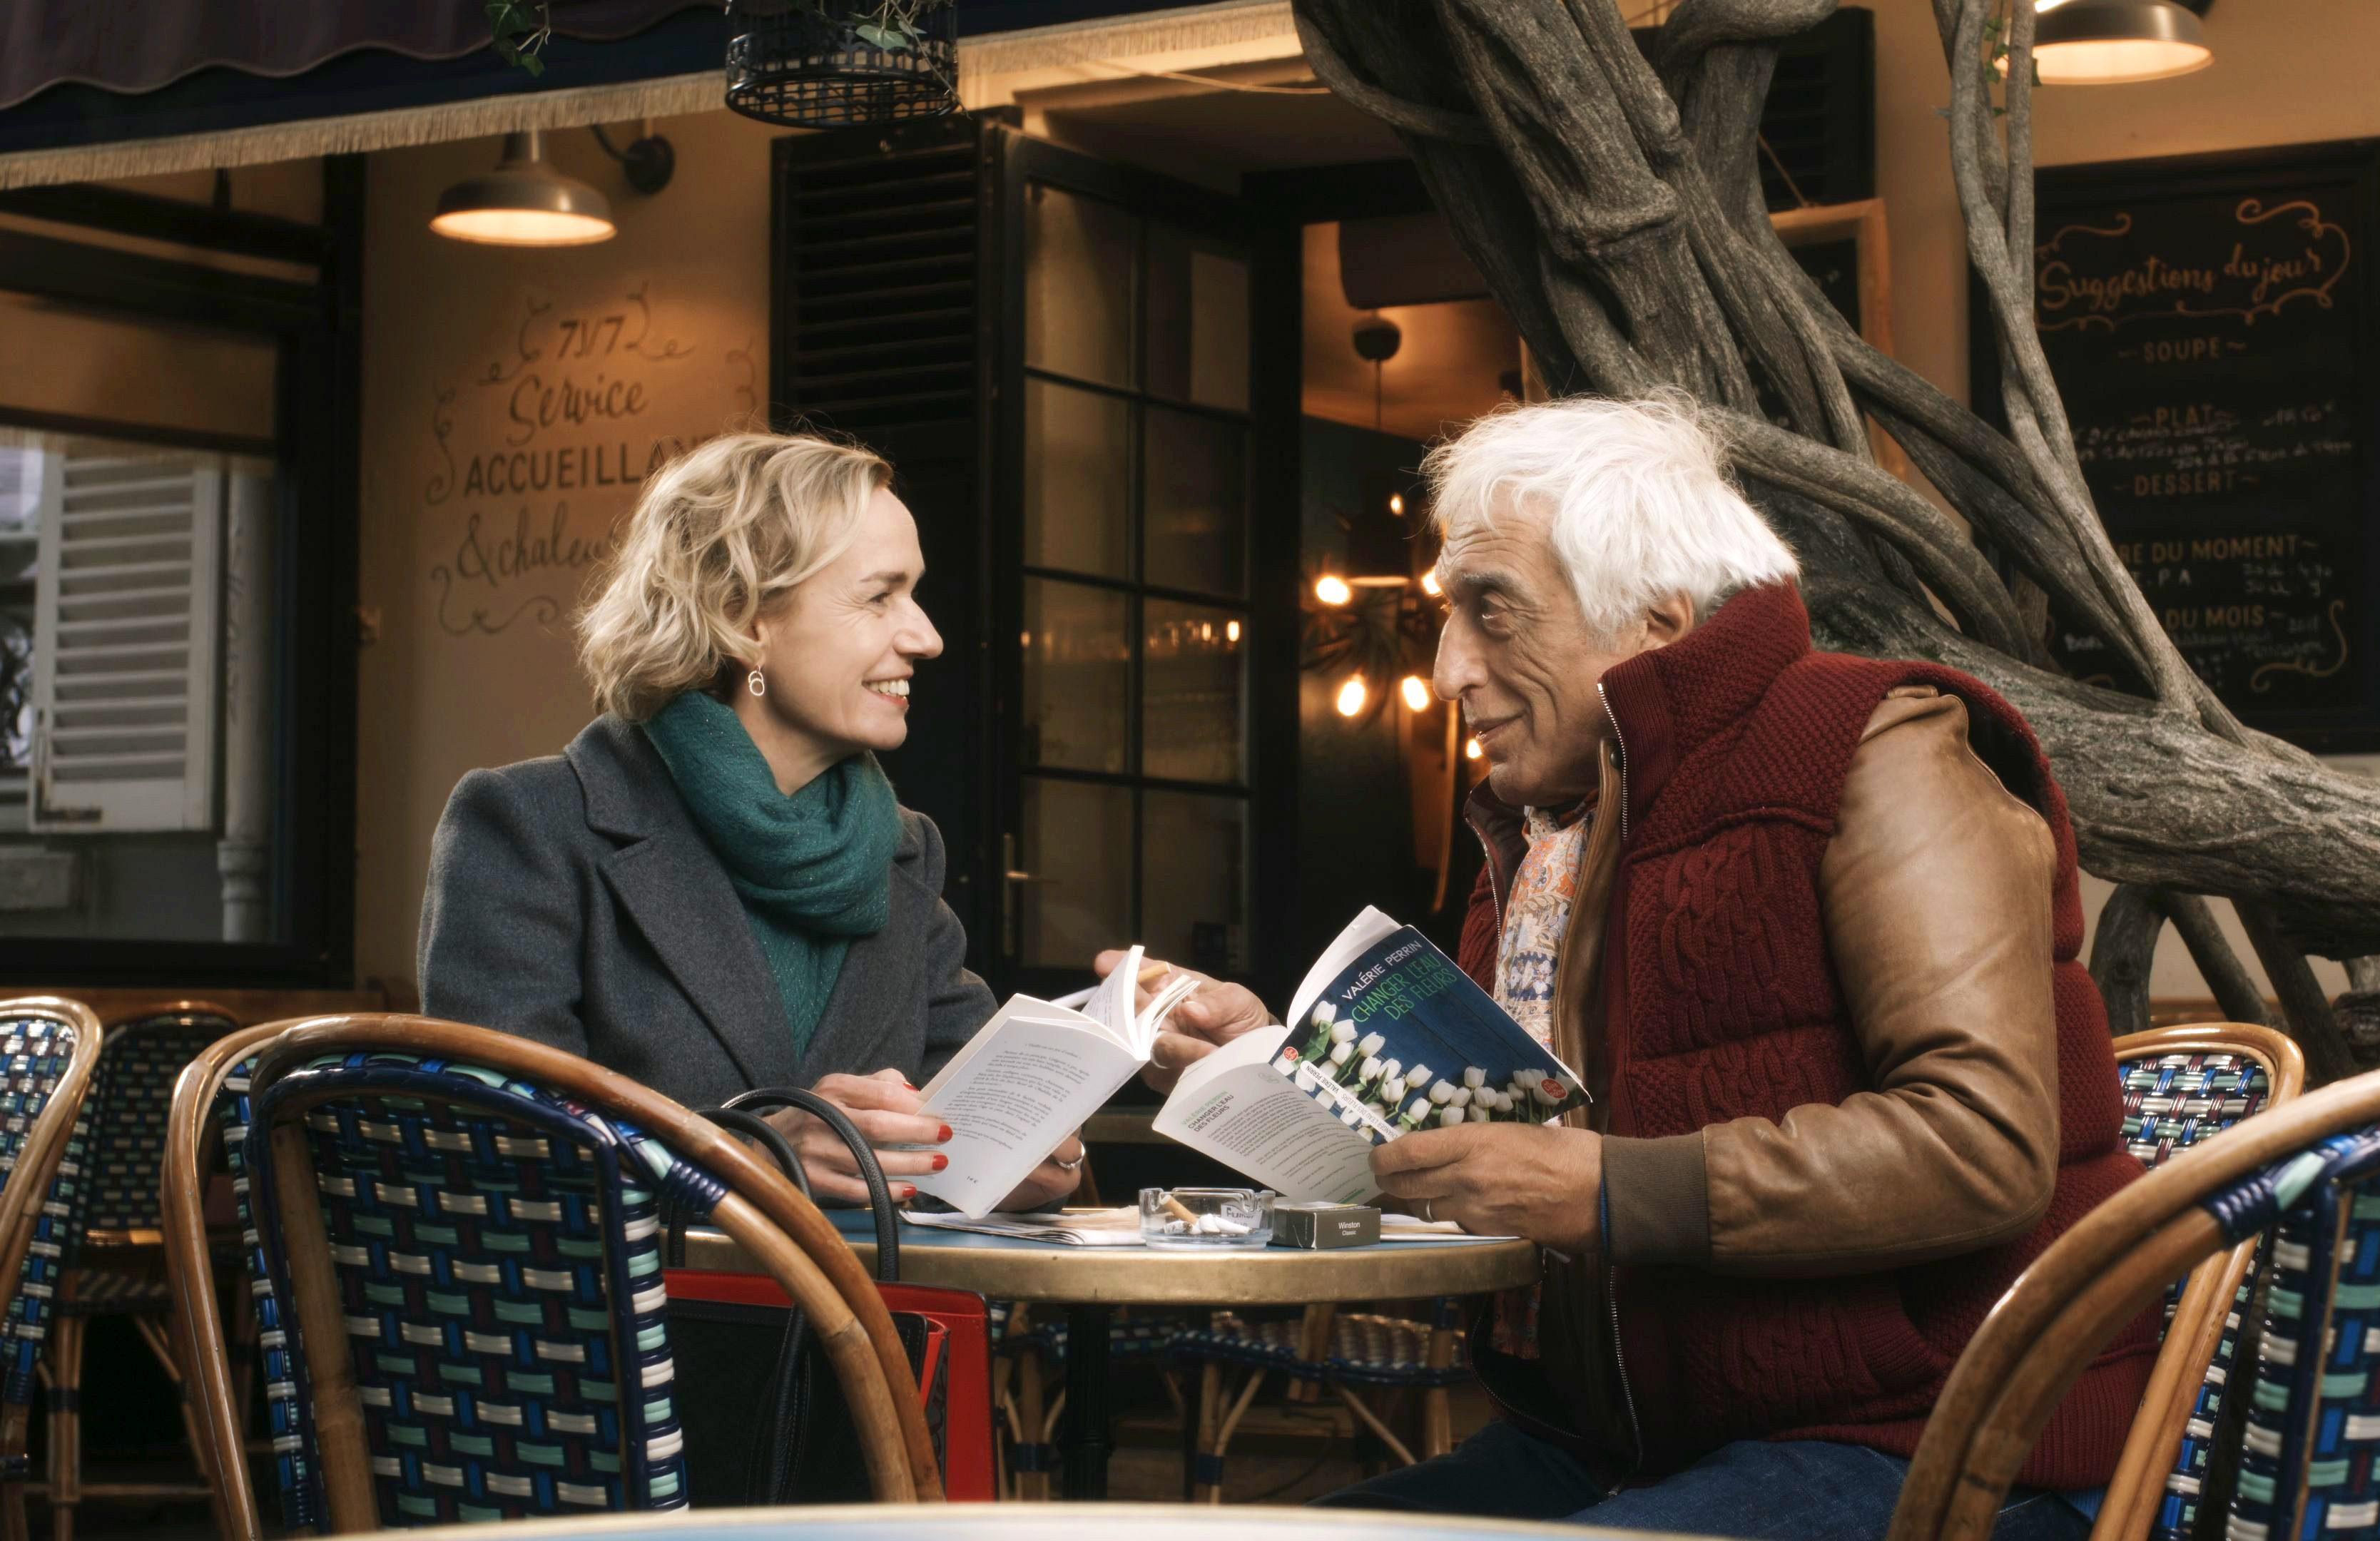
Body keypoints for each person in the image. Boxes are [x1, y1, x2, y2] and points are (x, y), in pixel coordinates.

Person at [1141, 395, 2152, 1540]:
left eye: (1492, 611)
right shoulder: (1551, 829)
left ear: (1654, 619)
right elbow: (1509, 1149)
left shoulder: (1880, 750)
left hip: (1941, 1440)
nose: (1448, 668)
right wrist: (1280, 1066)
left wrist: (1612, 1191)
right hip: (1631, 1441)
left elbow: (1982, 1145)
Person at [418, 432, 1083, 1208]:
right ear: (741, 618)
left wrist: (1025, 1154)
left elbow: (972, 1122)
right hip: (633, 1292)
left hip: (872, 1292)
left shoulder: (905, 851)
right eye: (880, 596)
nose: (927, 637)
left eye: (915, 594)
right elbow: (494, 1147)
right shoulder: (531, 823)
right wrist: (755, 1153)